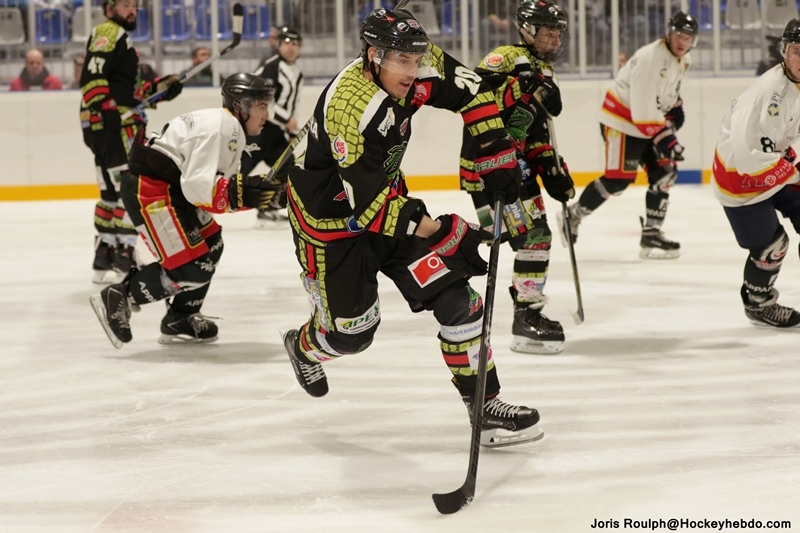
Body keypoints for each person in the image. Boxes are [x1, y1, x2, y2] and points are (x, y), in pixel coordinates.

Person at [282, 7, 541, 448]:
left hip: (388, 202)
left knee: (457, 298)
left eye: (416, 59)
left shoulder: (418, 63)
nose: (413, 69)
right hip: (331, 226)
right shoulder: (351, 107)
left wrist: (494, 152)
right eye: (402, 61)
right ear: (373, 55)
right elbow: (369, 210)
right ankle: (304, 346)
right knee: (351, 336)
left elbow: (474, 93)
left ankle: (485, 406)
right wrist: (445, 231)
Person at [90, 73, 278, 347]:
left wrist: (257, 195)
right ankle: (121, 296)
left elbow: (216, 188)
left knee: (211, 245)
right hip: (152, 189)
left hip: (168, 188)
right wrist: (246, 193)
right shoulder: (225, 127)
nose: (266, 115)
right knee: (191, 270)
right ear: (241, 105)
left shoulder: (228, 126)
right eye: (261, 107)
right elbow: (199, 189)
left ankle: (180, 317)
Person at [460, 1, 573, 355]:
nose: (554, 39)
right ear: (527, 30)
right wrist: (515, 86)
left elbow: (534, 132)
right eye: (548, 32)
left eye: (557, 33)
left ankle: (526, 315)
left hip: (516, 167)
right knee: (528, 237)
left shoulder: (544, 70)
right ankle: (519, 317)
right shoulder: (505, 57)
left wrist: (550, 166)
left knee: (534, 237)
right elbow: (472, 95)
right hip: (490, 167)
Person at [559, 11, 697, 260]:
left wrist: (674, 105)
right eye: (679, 35)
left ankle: (651, 233)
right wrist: (667, 138)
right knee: (618, 180)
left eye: (688, 38)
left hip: (645, 123)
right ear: (668, 32)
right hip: (621, 121)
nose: (683, 42)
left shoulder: (683, 58)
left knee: (665, 173)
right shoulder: (650, 59)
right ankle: (572, 215)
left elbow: (664, 92)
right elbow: (643, 109)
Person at [80, 0, 183, 284]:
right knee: (129, 187)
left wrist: (159, 89)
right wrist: (108, 112)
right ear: (109, 8)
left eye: (134, 5)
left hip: (102, 126)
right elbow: (92, 78)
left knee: (110, 192)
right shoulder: (109, 31)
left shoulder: (119, 39)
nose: (132, 10)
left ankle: (104, 254)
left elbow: (129, 95)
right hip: (113, 128)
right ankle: (124, 254)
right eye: (125, 4)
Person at [711, 19, 800, 329]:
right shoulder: (767, 94)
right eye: (797, 51)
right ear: (784, 53)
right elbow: (750, 158)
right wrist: (792, 169)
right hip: (740, 179)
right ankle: (758, 304)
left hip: (775, 167)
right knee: (772, 247)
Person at [241, 26, 304, 228]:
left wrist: (291, 131)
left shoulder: (297, 73)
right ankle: (201, 204)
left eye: (295, 43)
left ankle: (267, 208)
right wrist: (287, 120)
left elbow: (294, 104)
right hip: (257, 129)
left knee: (287, 167)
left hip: (275, 133)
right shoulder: (271, 66)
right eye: (286, 42)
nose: (290, 47)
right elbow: (260, 96)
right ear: (278, 45)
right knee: (237, 170)